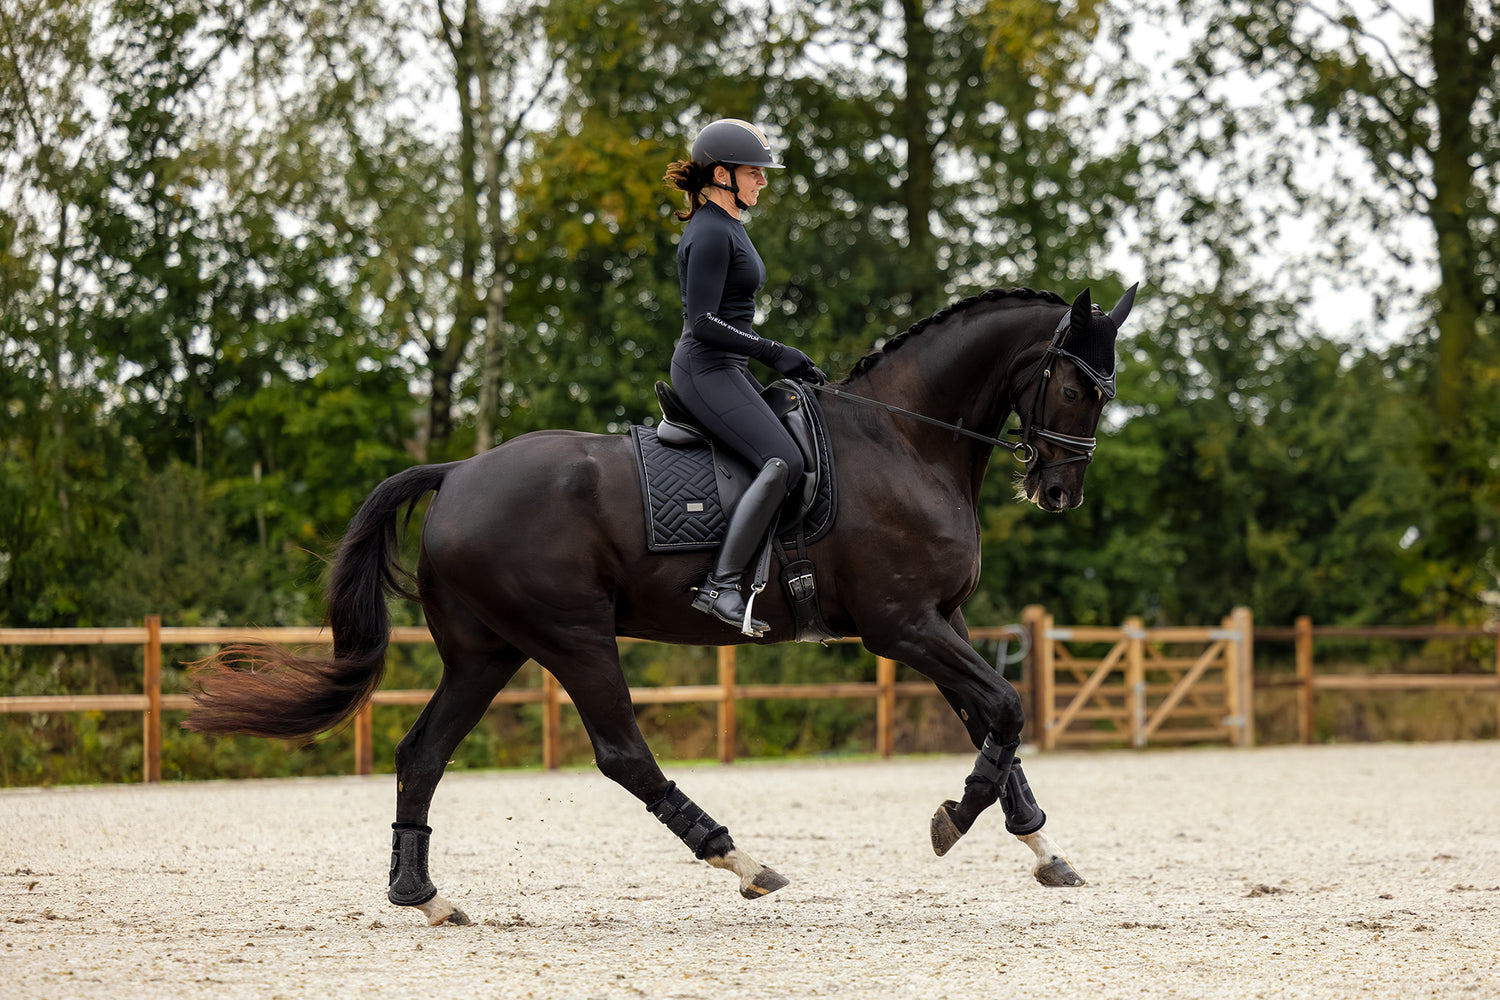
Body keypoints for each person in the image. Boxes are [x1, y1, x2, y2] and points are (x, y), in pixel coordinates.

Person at [663, 118, 827, 636]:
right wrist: (775, 352)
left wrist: (774, 355)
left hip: (727, 366)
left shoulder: (730, 224)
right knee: (783, 460)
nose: (763, 182)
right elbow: (704, 324)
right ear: (721, 174)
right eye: (755, 172)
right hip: (705, 367)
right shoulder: (710, 231)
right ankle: (721, 585)